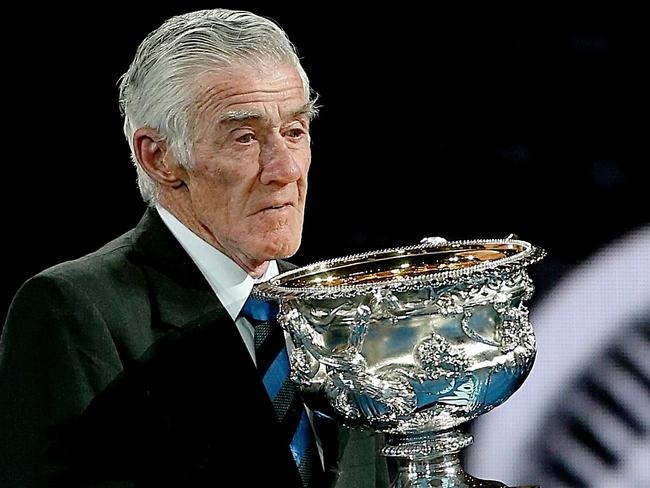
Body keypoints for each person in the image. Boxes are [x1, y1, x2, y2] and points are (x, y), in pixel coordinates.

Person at [0, 9, 388, 488]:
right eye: (244, 137)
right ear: (160, 157)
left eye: (294, 131)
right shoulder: (75, 310)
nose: (285, 168)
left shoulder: (338, 309)